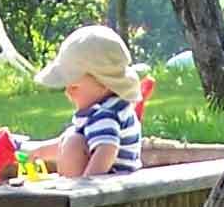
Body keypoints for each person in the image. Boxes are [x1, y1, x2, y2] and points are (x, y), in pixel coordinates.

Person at [25, 25, 145, 178]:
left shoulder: (105, 114)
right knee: (71, 136)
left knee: (74, 142)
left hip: (110, 182)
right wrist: (39, 152)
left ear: (104, 84)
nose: (68, 92)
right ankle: (70, 181)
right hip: (107, 179)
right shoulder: (105, 107)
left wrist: (86, 184)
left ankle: (73, 183)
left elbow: (106, 151)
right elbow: (79, 139)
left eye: (74, 87)